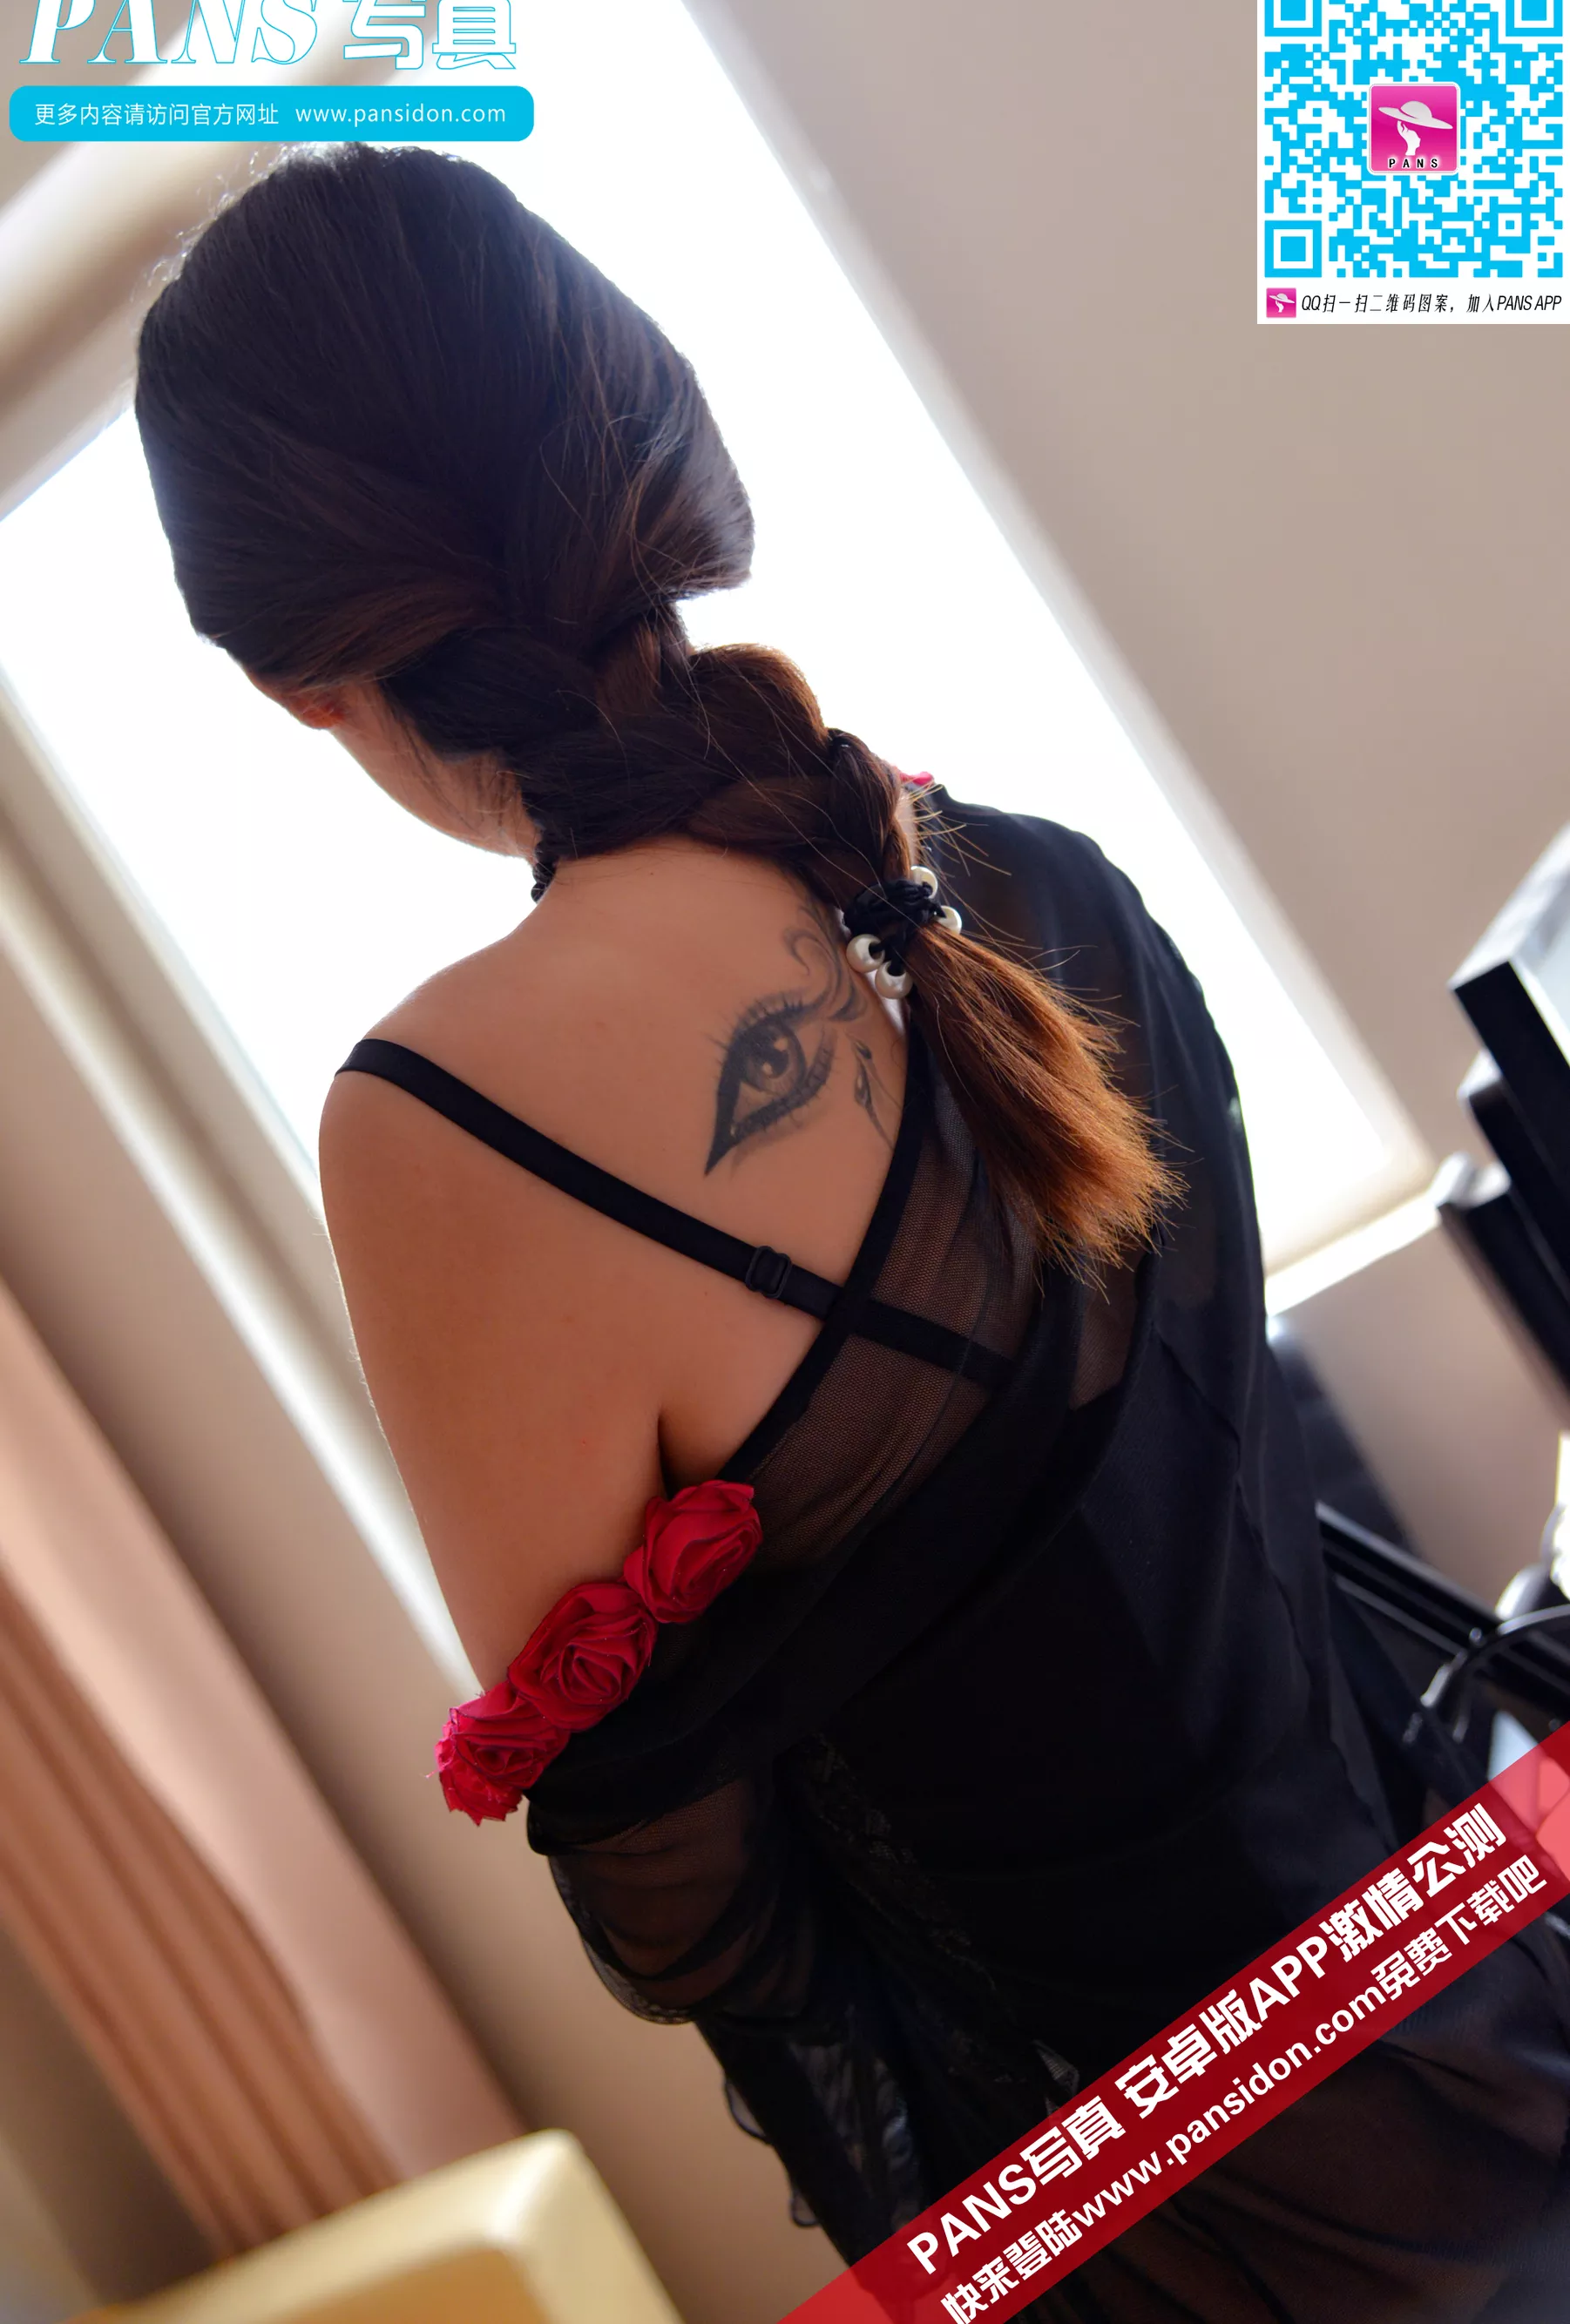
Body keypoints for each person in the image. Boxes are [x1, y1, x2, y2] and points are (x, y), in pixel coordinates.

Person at [134, 145, 1570, 2320]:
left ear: (296, 680)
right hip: (1486, 2028)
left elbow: (681, 1895)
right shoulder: (1037, 882)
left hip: (1188, 2237)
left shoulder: (444, 1126)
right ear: (655, 446)